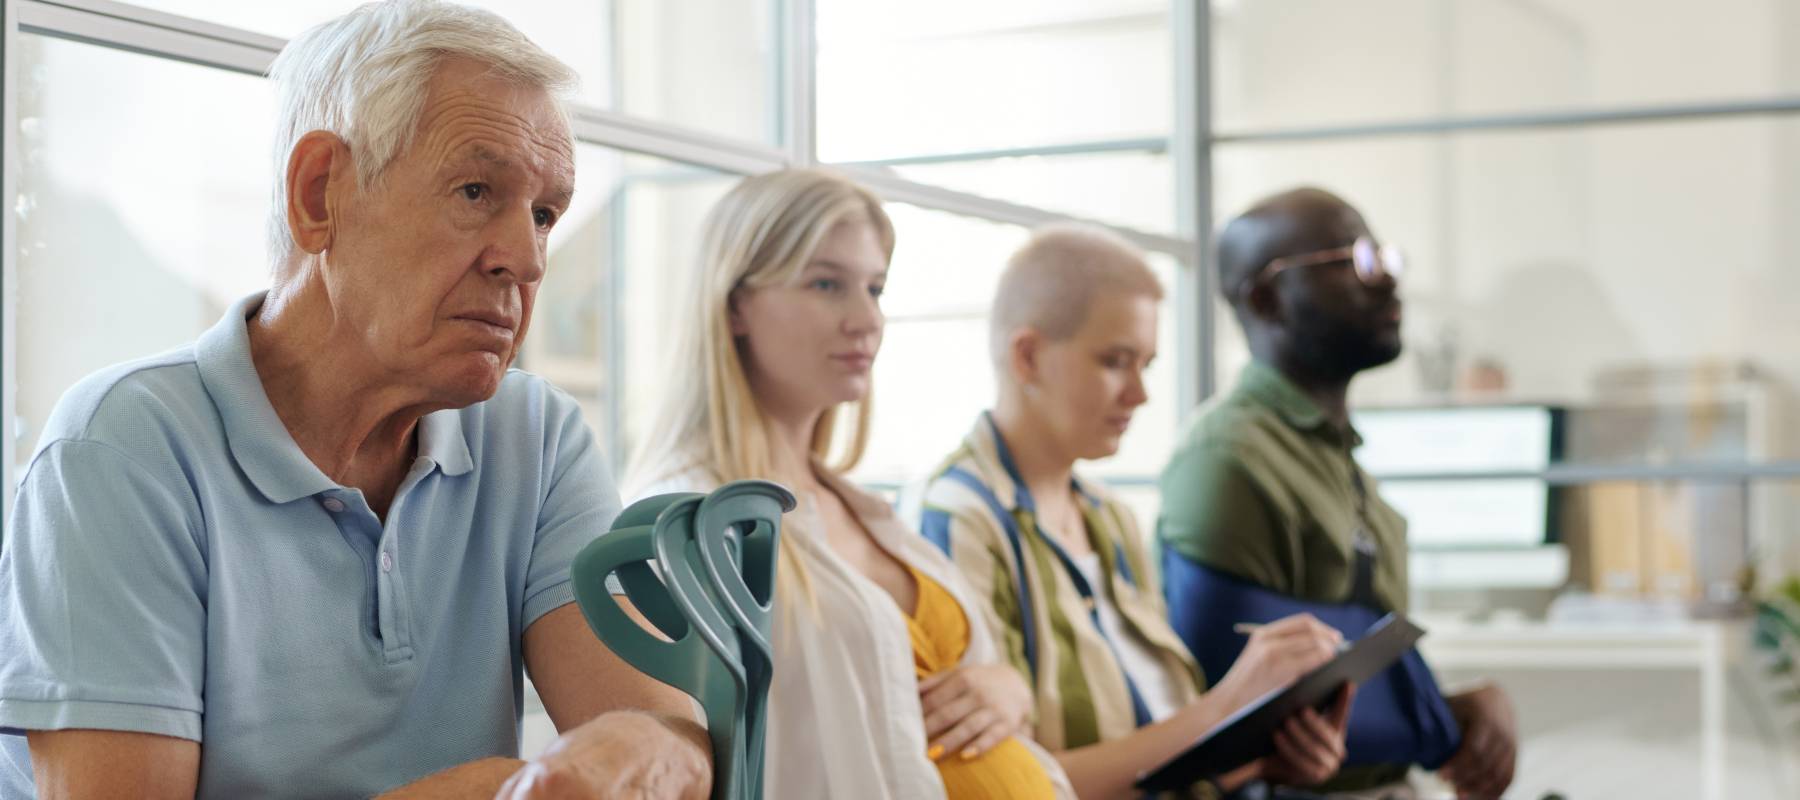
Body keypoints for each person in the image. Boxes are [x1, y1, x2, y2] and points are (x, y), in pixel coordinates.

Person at [0, 3, 710, 797]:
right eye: (477, 191)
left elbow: (668, 735)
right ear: (318, 195)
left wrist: (631, 755)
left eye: (544, 214)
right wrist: (508, 789)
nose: (528, 258)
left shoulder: (535, 435)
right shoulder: (118, 451)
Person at [626, 167, 1072, 799]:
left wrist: (1008, 689)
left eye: (875, 288)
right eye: (827, 284)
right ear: (734, 308)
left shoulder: (860, 507)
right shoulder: (681, 523)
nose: (867, 319)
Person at [900, 223, 1355, 800]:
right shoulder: (958, 519)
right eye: (1116, 361)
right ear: (1028, 356)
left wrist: (1263, 759)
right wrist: (1226, 705)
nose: (1139, 394)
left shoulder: (1109, 515)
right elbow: (1013, 781)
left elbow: (1159, 746)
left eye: (1146, 364)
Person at [1157, 187, 1518, 799]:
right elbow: (1228, 710)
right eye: (1354, 261)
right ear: (1267, 297)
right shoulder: (1228, 462)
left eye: (1383, 256)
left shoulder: (1335, 458)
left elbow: (1343, 675)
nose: (1386, 282)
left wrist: (1456, 711)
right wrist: (1446, 718)